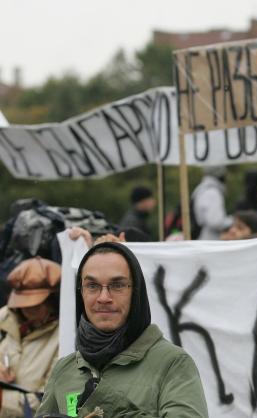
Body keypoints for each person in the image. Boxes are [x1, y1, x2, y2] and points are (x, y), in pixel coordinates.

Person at [36, 242, 208, 418]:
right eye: (92, 286)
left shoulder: (173, 363)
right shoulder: (65, 369)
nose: (103, 298)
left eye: (117, 285)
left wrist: (107, 409)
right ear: (81, 292)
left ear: (136, 292)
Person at [0, 257, 60, 417]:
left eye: (35, 306)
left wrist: (2, 400)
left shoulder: (64, 337)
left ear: (52, 301)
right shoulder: (6, 317)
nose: (28, 312)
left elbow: (49, 401)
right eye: (23, 306)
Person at [192, 166, 230, 240]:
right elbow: (215, 222)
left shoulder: (201, 189)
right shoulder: (212, 193)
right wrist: (232, 221)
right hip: (209, 239)